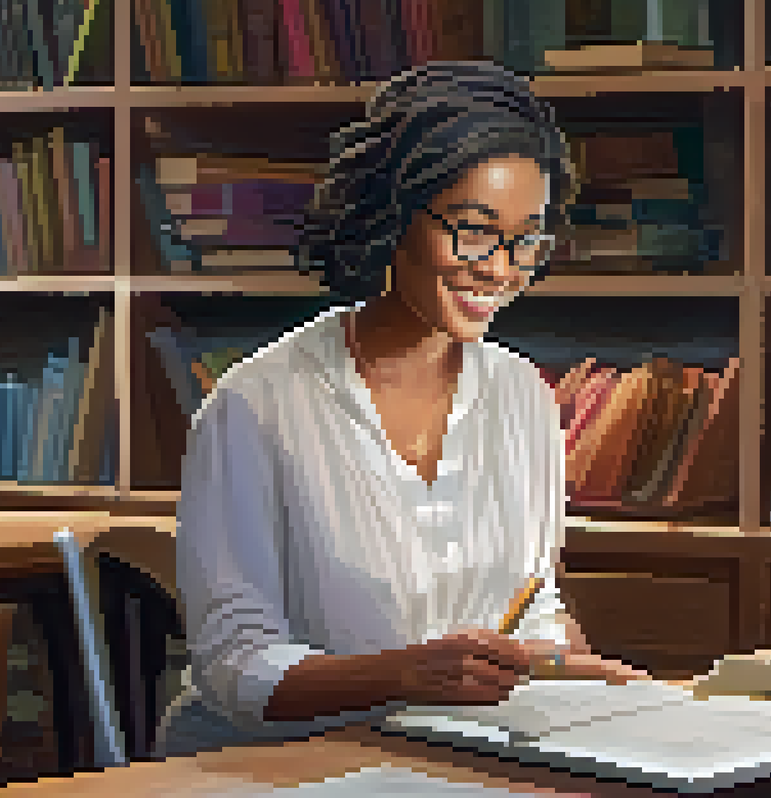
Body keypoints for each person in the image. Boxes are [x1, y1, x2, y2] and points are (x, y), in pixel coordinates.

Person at [156, 61, 649, 757]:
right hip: (270, 771)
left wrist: (566, 669)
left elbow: (530, 602)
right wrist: (402, 675)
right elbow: (234, 666)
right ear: (397, 213)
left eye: (528, 240)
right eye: (474, 231)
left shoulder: (523, 396)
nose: (503, 269)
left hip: (450, 756)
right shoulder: (258, 405)